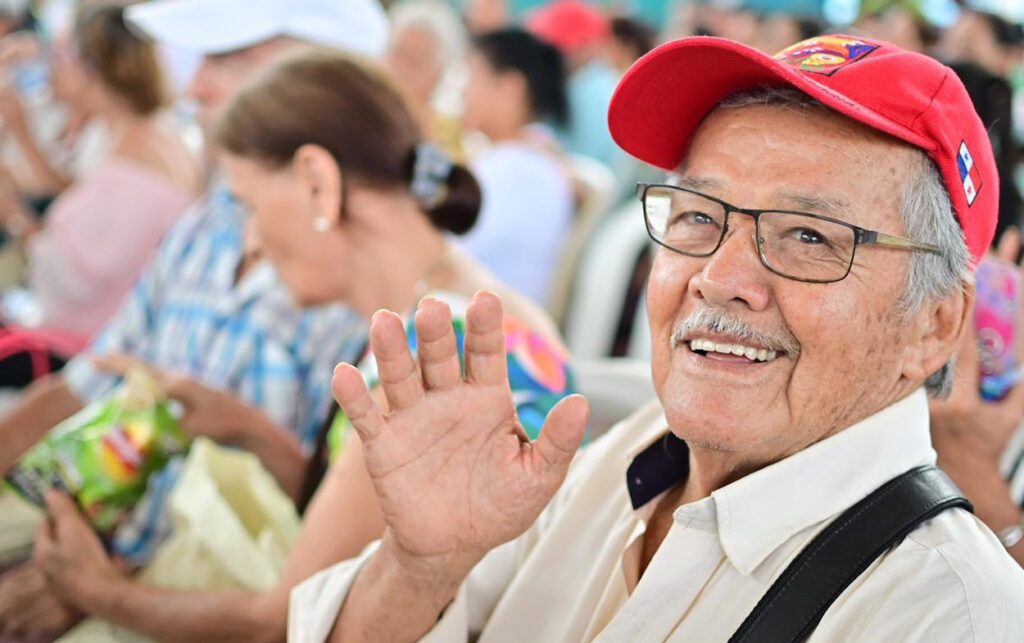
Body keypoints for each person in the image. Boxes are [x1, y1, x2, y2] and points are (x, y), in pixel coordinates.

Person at [289, 35, 1024, 641]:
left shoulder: (948, 613)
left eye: (808, 235)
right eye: (699, 215)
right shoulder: (631, 452)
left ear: (932, 326)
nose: (719, 275)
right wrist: (422, 566)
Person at [28, 49, 574, 643]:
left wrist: (94, 590)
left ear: (319, 185)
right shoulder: (483, 308)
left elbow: (286, 621)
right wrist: (246, 428)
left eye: (249, 205)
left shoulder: (426, 356)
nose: (252, 238)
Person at [0, 0, 386, 638]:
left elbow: (324, 537)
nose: (194, 85)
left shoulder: (365, 284)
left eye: (229, 60)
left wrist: (100, 590)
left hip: (197, 593)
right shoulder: (210, 219)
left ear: (322, 87)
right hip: (101, 537)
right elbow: (85, 380)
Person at [0, 4, 199, 347]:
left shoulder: (132, 158)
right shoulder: (145, 135)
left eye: (61, 58)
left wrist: (14, 213)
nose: (52, 70)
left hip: (93, 344)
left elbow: (72, 277)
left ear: (89, 68)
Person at [456, 27, 574, 306]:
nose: (462, 91)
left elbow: (435, 253)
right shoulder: (532, 157)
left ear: (510, 87)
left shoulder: (516, 170)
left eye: (471, 77)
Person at [385, 0, 467, 156]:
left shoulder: (450, 137)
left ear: (440, 74)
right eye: (399, 55)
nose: (403, 70)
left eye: (416, 61)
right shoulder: (359, 112)